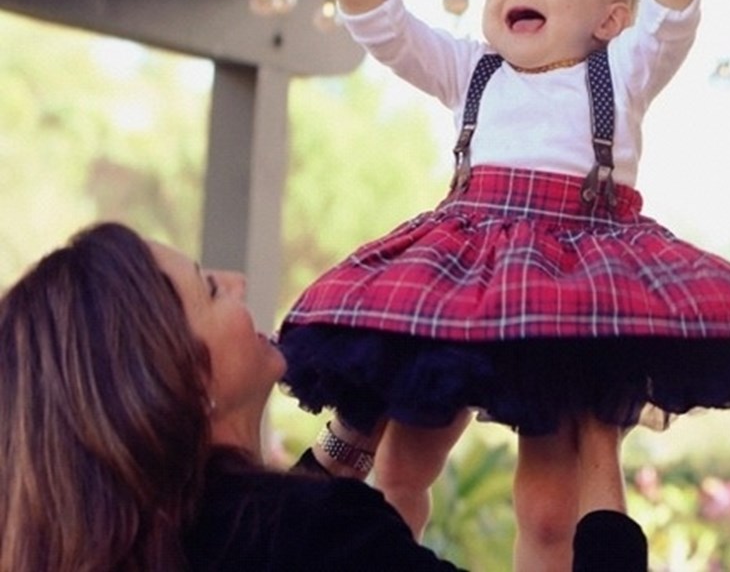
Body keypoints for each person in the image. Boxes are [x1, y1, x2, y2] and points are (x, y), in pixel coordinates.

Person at [276, 0, 730, 571]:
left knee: (548, 504)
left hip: (570, 281)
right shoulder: (472, 70)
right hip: (467, 269)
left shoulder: (622, 71)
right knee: (401, 465)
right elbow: (392, 36)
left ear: (609, 19)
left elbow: (673, 21)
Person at [0, 222, 648, 572]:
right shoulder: (319, 537)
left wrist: (353, 434)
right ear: (179, 379)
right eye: (209, 290)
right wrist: (597, 439)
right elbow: (292, 537)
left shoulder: (121, 540)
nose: (237, 280)